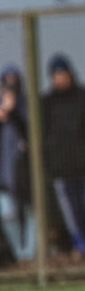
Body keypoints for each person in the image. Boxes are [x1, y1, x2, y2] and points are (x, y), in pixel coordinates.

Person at [42, 53, 85, 257]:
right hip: (63, 170)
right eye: (56, 75)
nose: (60, 78)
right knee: (73, 214)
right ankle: (81, 247)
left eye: (63, 73)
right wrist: (52, 161)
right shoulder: (47, 103)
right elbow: (40, 136)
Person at [0, 65, 35, 263]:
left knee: (31, 212)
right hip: (4, 176)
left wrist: (13, 114)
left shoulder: (25, 107)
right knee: (7, 214)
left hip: (24, 173)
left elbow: (31, 133)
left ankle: (29, 255)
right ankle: (19, 253)